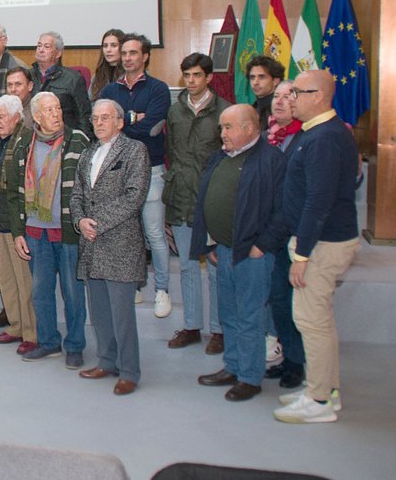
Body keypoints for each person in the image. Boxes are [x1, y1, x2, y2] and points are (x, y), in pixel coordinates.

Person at [273, 70, 360, 424]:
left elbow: (318, 202)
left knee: (311, 320)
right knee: (318, 320)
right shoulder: (317, 133)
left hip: (323, 245)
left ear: (319, 96)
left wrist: (303, 254)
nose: (290, 98)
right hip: (320, 241)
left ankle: (320, 400)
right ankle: (325, 389)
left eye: (296, 92)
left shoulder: (324, 138)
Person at [191, 104, 288, 402]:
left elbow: (284, 210)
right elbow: (207, 200)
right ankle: (232, 366)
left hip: (253, 254)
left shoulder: (271, 160)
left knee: (249, 316)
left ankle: (249, 376)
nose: (222, 133)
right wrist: (210, 244)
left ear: (249, 128)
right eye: (221, 127)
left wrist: (263, 245)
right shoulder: (221, 157)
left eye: (228, 127)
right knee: (229, 314)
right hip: (223, 250)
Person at [71, 99, 151, 396]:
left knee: (122, 314)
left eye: (106, 118)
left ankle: (129, 371)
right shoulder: (89, 152)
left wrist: (97, 222)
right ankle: (107, 361)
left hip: (120, 244)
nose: (99, 123)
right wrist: (80, 221)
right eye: (95, 118)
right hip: (90, 243)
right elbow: (77, 193)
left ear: (120, 122)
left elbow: (134, 196)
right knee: (100, 311)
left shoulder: (134, 150)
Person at [8, 91, 90, 367]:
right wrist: (18, 232)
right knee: (41, 292)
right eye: (50, 110)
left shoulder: (78, 141)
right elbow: (14, 192)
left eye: (58, 109)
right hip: (35, 232)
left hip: (67, 232)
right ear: (37, 117)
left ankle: (75, 345)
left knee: (72, 293)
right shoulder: (24, 144)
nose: (57, 114)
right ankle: (49, 342)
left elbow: (88, 189)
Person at [98, 33, 172, 320]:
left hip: (151, 168)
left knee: (154, 233)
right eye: (124, 52)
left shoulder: (158, 89)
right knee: (128, 234)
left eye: (133, 53)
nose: (127, 57)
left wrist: (122, 122)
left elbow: (153, 128)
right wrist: (132, 118)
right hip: (117, 172)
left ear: (145, 57)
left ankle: (162, 290)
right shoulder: (109, 91)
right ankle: (135, 284)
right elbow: (103, 127)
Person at [163, 52, 230, 352]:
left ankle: (219, 330)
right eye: (186, 76)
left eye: (196, 76)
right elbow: (171, 153)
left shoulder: (223, 112)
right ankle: (191, 326)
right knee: (188, 267)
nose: (190, 81)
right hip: (180, 197)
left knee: (215, 267)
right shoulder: (174, 111)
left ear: (208, 77)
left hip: (212, 200)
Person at [0, 95, 36, 351]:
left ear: (17, 117)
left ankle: (31, 333)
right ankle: (15, 326)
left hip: (18, 226)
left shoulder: (27, 141)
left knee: (24, 283)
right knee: (7, 281)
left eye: (2, 117)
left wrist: (21, 228)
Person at [264, 80, 307, 389]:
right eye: (275, 96)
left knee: (297, 305)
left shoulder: (305, 138)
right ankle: (289, 357)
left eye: (287, 96)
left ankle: (299, 363)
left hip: (296, 234)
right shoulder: (268, 137)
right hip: (271, 232)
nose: (279, 102)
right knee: (279, 300)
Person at [29, 31, 91, 132]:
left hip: (64, 137)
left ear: (58, 53)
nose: (41, 50)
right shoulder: (28, 76)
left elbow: (84, 116)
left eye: (47, 47)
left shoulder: (73, 79)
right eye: (39, 46)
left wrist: (82, 142)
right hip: (33, 136)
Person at [246, 54, 285, 130]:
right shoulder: (250, 110)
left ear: (275, 81)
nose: (255, 82)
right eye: (252, 77)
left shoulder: (283, 110)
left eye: (261, 77)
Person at [88, 29, 125, 100]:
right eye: (105, 46)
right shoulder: (97, 75)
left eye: (113, 46)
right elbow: (90, 101)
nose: (108, 50)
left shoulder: (130, 74)